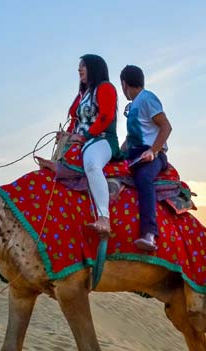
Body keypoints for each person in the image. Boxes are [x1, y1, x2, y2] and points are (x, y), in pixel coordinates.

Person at [65, 54, 121, 237]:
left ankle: (104, 217)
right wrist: (66, 135)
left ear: (94, 68)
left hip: (102, 139)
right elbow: (76, 121)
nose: (79, 69)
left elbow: (106, 117)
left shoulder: (105, 88)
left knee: (91, 164)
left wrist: (85, 137)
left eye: (84, 66)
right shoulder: (83, 95)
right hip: (82, 141)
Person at [120, 65, 172, 252]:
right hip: (134, 154)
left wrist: (153, 150)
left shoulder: (148, 99)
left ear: (124, 84)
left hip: (153, 155)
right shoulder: (133, 106)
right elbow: (131, 137)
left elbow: (166, 127)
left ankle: (149, 234)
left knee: (143, 178)